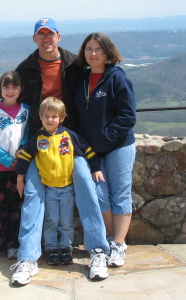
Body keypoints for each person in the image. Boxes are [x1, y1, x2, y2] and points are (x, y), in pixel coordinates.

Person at [10, 18, 110, 286]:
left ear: (58, 36)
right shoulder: (26, 68)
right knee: (32, 195)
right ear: (34, 39)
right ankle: (28, 258)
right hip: (38, 141)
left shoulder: (74, 63)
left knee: (87, 188)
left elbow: (98, 81)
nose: (46, 39)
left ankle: (98, 251)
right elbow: (14, 101)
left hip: (71, 140)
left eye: (50, 34)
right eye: (40, 35)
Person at [15, 97, 104, 267]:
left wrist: (95, 168)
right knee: (51, 221)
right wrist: (20, 178)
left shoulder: (69, 136)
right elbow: (24, 157)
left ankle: (66, 248)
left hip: (67, 188)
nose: (50, 120)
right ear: (40, 117)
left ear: (61, 118)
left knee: (66, 221)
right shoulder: (37, 139)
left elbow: (87, 150)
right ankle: (51, 249)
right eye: (46, 116)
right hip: (49, 188)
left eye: (54, 116)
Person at [74, 32, 137, 268]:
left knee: (120, 193)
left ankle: (119, 244)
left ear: (107, 52)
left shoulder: (117, 78)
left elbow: (127, 115)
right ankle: (111, 238)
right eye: (88, 49)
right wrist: (87, 144)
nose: (92, 54)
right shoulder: (82, 79)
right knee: (99, 194)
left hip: (119, 146)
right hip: (93, 150)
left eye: (97, 49)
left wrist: (107, 137)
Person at [0, 70, 30, 261]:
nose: (10, 91)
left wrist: (23, 151)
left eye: (14, 87)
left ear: (20, 89)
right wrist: (7, 160)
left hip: (21, 169)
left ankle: (14, 245)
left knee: (18, 207)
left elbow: (28, 134)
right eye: (6, 87)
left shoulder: (26, 110)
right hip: (0, 169)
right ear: (0, 89)